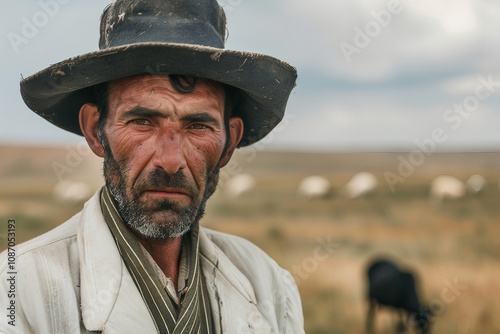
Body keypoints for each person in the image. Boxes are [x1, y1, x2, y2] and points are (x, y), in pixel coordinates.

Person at [0, 0, 303, 333]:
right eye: (142, 121)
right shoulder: (17, 291)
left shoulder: (267, 283)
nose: (170, 161)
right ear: (94, 131)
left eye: (198, 126)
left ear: (229, 143)